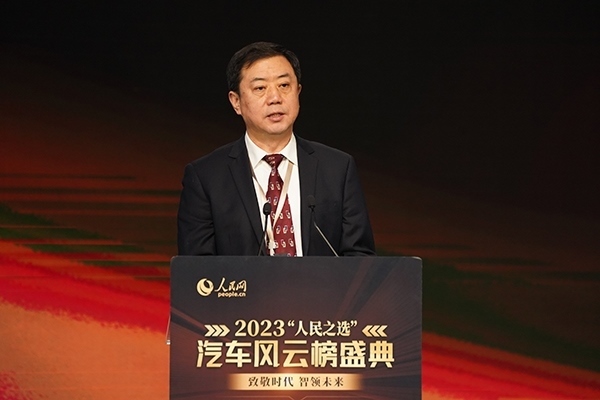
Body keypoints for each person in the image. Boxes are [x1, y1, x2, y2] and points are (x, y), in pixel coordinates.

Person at [177, 41, 375, 256]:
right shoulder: (206, 177)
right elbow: (196, 268)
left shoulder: (337, 168)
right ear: (236, 102)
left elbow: (360, 258)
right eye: (260, 88)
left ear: (298, 92)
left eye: (284, 85)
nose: (275, 98)